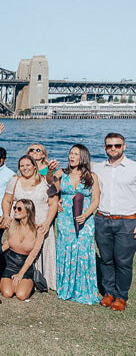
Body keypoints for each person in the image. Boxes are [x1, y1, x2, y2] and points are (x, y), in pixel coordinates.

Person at [92, 133, 136, 311]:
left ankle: (121, 296)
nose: (113, 149)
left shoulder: (133, 168)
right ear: (104, 148)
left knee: (123, 261)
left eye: (117, 145)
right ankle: (109, 292)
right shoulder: (98, 168)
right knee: (106, 259)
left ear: (124, 146)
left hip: (127, 221)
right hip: (102, 219)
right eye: (109, 146)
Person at [1, 155, 58, 291]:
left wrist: (47, 223)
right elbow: (7, 200)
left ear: (34, 166)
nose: (25, 168)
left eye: (28, 165)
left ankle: (39, 279)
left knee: (38, 250)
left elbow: (53, 203)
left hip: (40, 224)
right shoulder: (15, 181)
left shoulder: (45, 181)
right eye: (22, 166)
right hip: (20, 225)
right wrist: (6, 216)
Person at [54, 144, 100, 305]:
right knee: (66, 250)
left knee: (82, 251)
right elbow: (51, 189)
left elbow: (95, 200)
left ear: (83, 157)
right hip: (65, 218)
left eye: (76, 154)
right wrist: (57, 201)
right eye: (70, 153)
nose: (71, 157)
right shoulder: (61, 173)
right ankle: (66, 287)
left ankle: (83, 289)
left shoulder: (92, 176)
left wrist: (86, 215)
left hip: (85, 219)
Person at [0, 199, 44, 301]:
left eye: (19, 209)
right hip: (9, 263)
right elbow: (7, 244)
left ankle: (26, 283)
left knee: (21, 295)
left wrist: (21, 274)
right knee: (7, 293)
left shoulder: (38, 230)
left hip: (25, 266)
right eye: (15, 208)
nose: (15, 210)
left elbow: (33, 254)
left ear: (28, 212)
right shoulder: (11, 225)